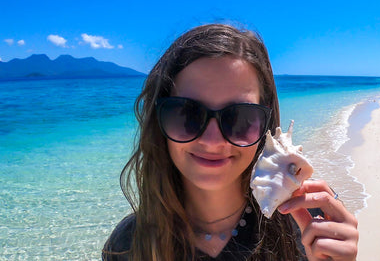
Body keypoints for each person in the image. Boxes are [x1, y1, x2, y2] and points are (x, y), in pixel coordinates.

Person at [102, 24, 359, 260]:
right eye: (187, 114)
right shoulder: (127, 245)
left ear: (265, 124)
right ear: (159, 121)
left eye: (240, 118)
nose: (213, 141)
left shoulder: (310, 226)